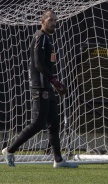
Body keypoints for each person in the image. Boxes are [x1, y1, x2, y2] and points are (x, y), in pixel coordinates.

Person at [2, 10, 78, 168]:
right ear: (42, 21)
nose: (54, 23)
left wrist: (53, 83)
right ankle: (9, 150)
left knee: (54, 125)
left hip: (47, 86)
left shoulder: (48, 39)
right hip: (40, 87)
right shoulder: (40, 37)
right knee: (38, 123)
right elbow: (38, 63)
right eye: (51, 20)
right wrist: (54, 81)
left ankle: (58, 160)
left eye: (56, 20)